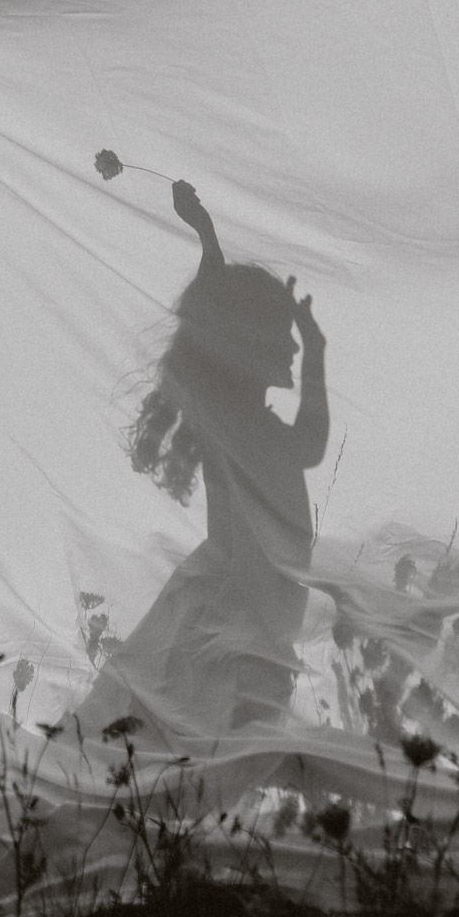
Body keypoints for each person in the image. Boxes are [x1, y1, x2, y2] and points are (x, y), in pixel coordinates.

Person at [76, 180, 329, 740]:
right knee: (203, 738)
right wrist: (208, 239)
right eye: (284, 337)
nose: (292, 347)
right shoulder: (228, 418)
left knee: (221, 743)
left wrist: (316, 352)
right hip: (232, 607)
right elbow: (212, 315)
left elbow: (311, 445)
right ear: (246, 342)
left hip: (262, 603)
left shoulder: (258, 425)